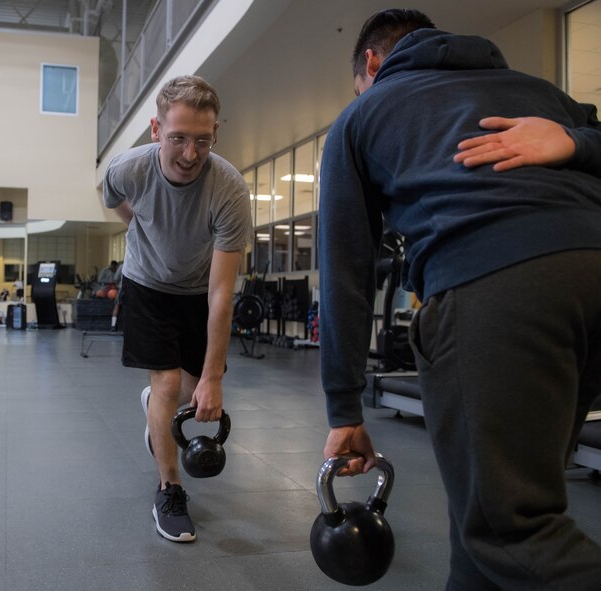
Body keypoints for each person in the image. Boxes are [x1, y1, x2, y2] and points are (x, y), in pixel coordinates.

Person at [318, 9, 601, 589]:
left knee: (511, 530)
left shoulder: (362, 114)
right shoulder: (541, 92)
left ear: (371, 63)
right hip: (588, 273)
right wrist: (578, 140)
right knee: (485, 511)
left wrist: (344, 409)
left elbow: (347, 272)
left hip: (498, 288)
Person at [103, 75, 252, 542]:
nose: (190, 154)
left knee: (189, 390)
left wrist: (213, 379)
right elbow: (111, 197)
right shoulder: (130, 169)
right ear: (155, 130)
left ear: (216, 134)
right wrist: (139, 222)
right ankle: (170, 490)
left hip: (197, 287)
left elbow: (222, 293)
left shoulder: (228, 188)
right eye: (178, 139)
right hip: (145, 283)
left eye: (202, 141)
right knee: (167, 383)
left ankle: (158, 411)